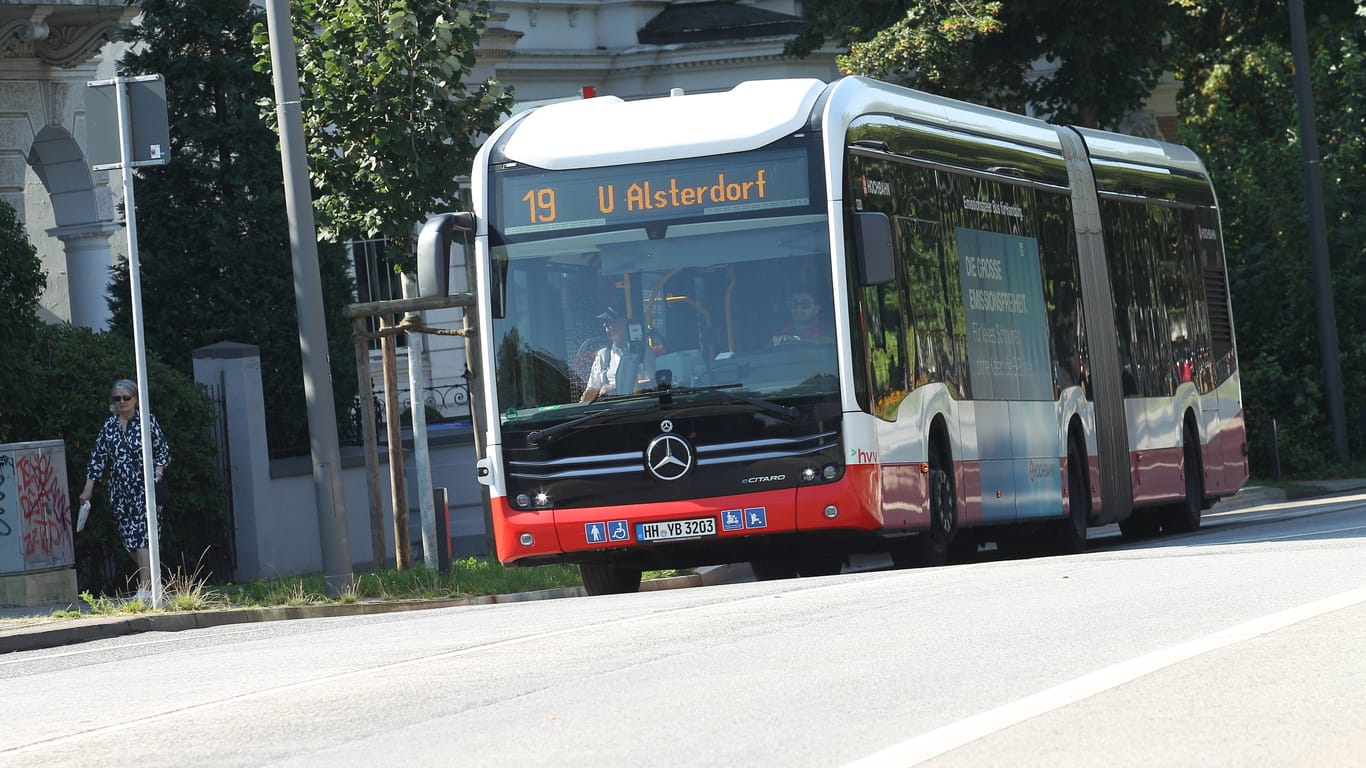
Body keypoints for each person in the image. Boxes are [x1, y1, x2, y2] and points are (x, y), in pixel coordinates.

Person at [78, 379, 171, 602]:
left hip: (144, 486)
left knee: (141, 537)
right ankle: (154, 581)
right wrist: (87, 489)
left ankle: (145, 588)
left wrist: (156, 476)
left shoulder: (147, 421)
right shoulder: (109, 426)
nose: (122, 402)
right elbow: (98, 458)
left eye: (126, 398)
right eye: (117, 398)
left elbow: (163, 451)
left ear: (136, 399)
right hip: (120, 490)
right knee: (130, 540)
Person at [580, 307, 656, 402]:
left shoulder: (643, 351)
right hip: (611, 409)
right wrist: (579, 409)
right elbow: (592, 390)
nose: (605, 326)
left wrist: (614, 387)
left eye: (610, 322)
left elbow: (651, 383)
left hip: (637, 405)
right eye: (605, 323)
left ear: (624, 324)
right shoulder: (603, 355)